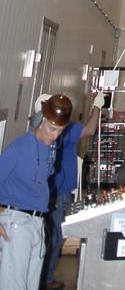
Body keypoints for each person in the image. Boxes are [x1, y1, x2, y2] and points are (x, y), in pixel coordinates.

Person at [0, 95, 71, 290]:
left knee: (31, 285)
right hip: (17, 222)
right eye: (52, 129)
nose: (55, 136)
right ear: (41, 121)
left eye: (60, 131)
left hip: (38, 222)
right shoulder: (19, 148)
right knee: (14, 285)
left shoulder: (50, 148)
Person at [37, 92, 104, 290]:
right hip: (59, 192)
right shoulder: (64, 129)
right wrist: (97, 107)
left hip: (52, 191)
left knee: (49, 234)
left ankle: (41, 276)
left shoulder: (37, 132)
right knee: (55, 235)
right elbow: (90, 129)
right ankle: (46, 279)